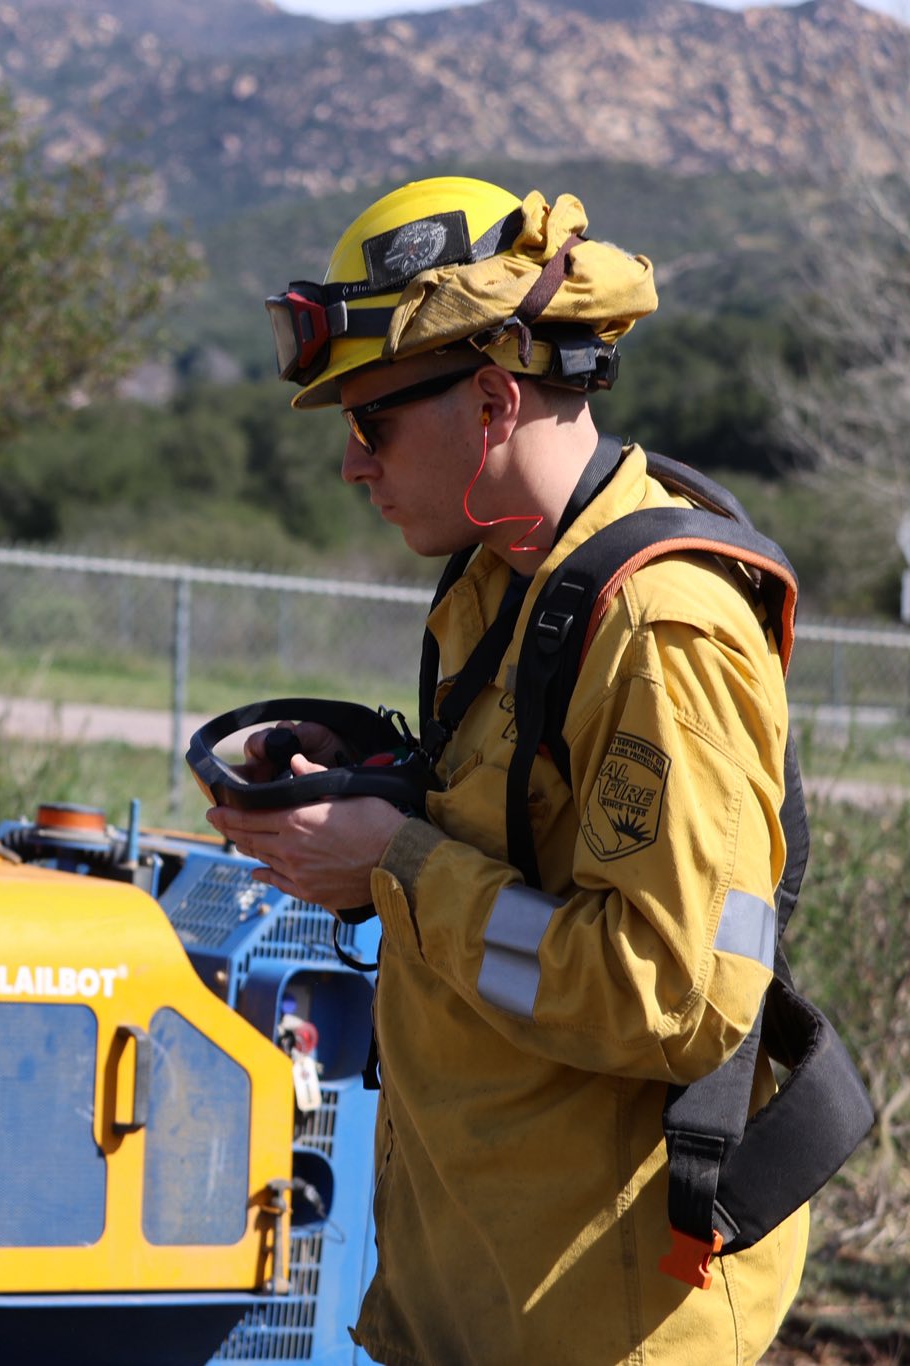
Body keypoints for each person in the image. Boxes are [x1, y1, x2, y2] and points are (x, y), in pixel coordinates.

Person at [208, 177, 806, 1364]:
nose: (349, 467)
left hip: (600, 1320)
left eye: (367, 423)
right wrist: (370, 809)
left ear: (488, 400)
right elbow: (511, 861)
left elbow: (670, 995)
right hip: (464, 1292)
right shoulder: (499, 581)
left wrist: (396, 862)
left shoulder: (659, 630)